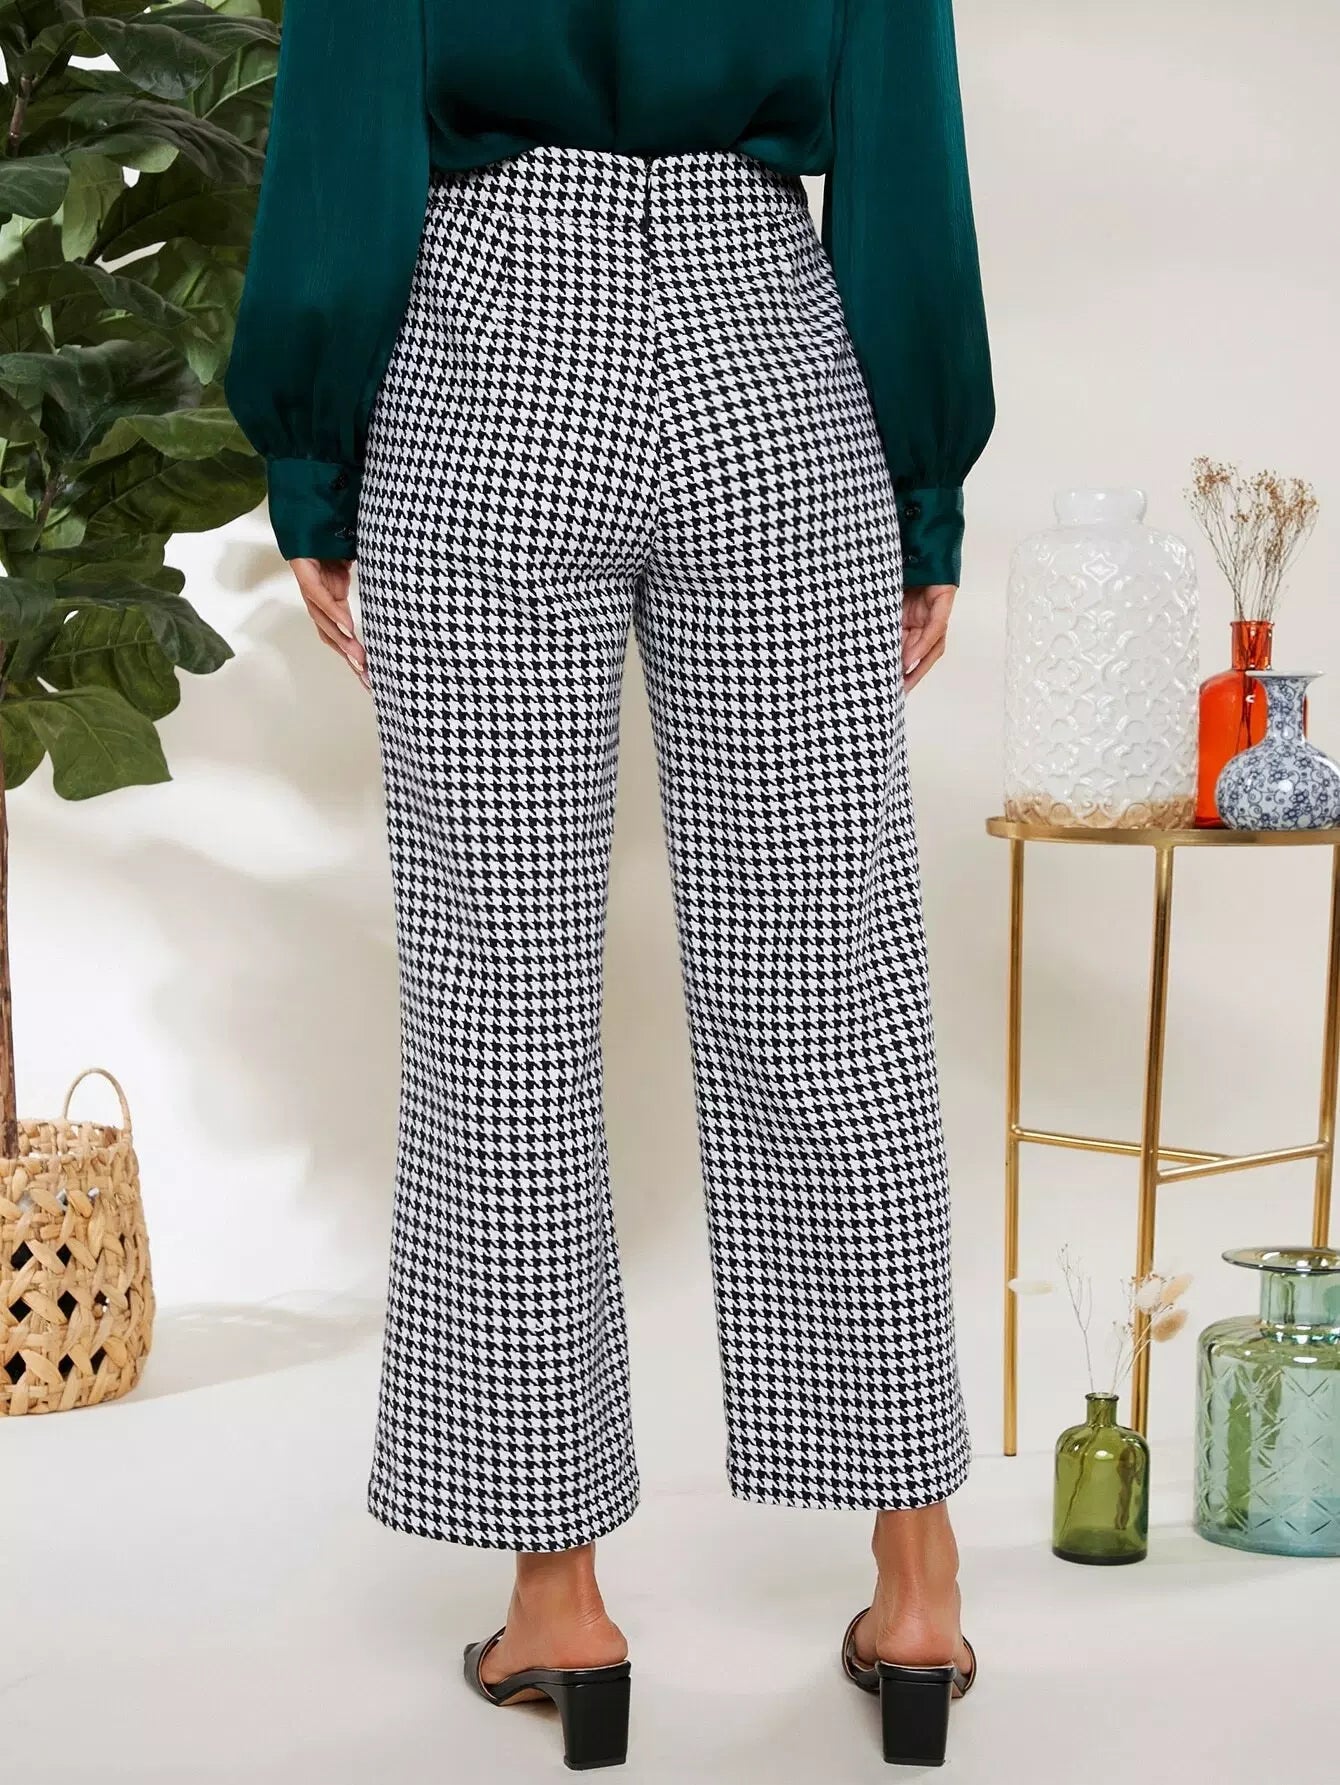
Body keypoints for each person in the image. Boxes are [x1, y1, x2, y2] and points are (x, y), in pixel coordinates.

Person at [226, 0, 994, 1768]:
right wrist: (922, 481)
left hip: (488, 339)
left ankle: (561, 1608)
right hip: (768, 336)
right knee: (831, 985)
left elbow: (351, 97)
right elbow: (900, 116)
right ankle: (919, 1586)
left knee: (500, 1005)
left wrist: (314, 458)